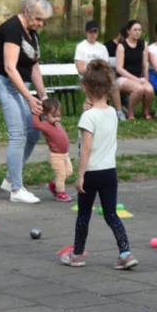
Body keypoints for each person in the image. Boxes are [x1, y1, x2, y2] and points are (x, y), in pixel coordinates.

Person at [61, 60, 139, 270]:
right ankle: (125, 252)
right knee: (111, 214)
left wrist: (80, 176)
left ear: (85, 87)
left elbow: (86, 148)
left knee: (84, 215)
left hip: (92, 172)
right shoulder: (113, 113)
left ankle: (77, 254)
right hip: (109, 172)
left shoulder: (88, 116)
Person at [0, 0, 53, 204]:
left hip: (22, 86)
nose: (40, 24)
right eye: (37, 19)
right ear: (27, 11)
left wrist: (43, 96)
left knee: (33, 132)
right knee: (18, 135)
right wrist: (28, 97)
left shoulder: (32, 33)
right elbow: (10, 67)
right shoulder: (11, 29)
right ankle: (16, 190)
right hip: (6, 84)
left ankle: (10, 179)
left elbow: (34, 66)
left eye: (43, 20)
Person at [74, 20, 125, 120]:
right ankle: (91, 111)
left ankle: (119, 112)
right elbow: (80, 69)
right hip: (88, 77)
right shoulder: (81, 47)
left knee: (114, 85)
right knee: (94, 84)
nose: (93, 34)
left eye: (95, 32)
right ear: (86, 33)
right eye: (91, 32)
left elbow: (107, 66)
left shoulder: (102, 48)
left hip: (102, 75)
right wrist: (93, 70)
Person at [32, 97, 73, 202]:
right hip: (56, 156)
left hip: (65, 154)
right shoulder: (45, 124)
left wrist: (55, 120)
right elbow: (36, 124)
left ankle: (53, 185)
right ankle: (60, 193)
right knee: (61, 175)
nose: (57, 119)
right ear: (45, 115)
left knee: (69, 172)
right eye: (54, 116)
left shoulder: (55, 123)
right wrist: (36, 113)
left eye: (59, 116)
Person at [114, 20, 155, 120]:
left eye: (139, 30)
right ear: (129, 31)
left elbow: (145, 65)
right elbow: (119, 69)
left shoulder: (143, 44)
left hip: (139, 77)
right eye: (135, 29)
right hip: (122, 78)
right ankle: (130, 113)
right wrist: (136, 80)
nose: (138, 32)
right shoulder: (121, 46)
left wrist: (146, 80)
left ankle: (145, 112)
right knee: (139, 89)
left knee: (149, 90)